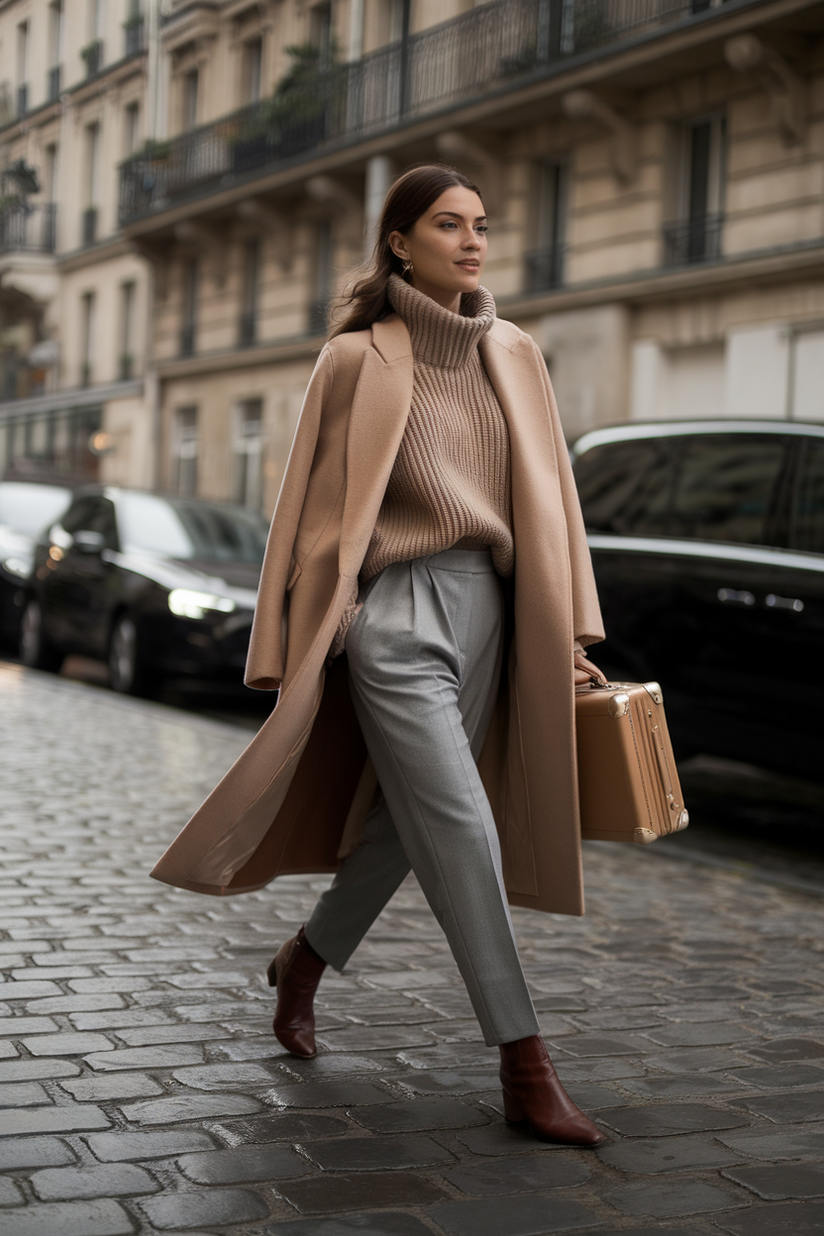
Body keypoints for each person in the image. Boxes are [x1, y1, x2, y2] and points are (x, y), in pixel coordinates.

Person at [152, 163, 608, 1147]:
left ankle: (306, 960)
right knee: (462, 826)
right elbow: (305, 512)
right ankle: (524, 1064)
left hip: (496, 607)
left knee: (409, 832)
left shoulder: (516, 353)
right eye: (448, 224)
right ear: (399, 242)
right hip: (397, 619)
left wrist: (566, 633)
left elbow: (552, 505)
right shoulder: (357, 359)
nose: (471, 240)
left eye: (481, 224)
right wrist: (319, 624)